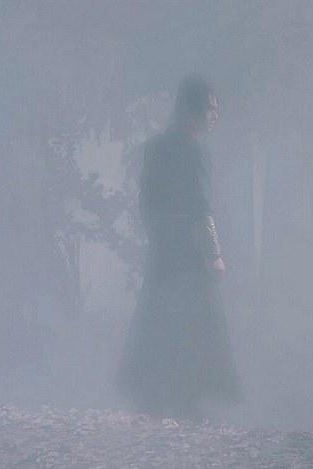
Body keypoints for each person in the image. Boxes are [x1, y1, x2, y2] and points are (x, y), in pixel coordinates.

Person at [117, 74, 241, 419]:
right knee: (196, 319)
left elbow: (147, 201)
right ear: (190, 108)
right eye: (209, 108)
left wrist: (158, 236)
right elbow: (202, 206)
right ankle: (188, 397)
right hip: (189, 248)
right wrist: (214, 254)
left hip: (163, 246)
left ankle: (157, 393)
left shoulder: (156, 146)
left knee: (159, 314)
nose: (214, 115)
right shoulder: (195, 150)